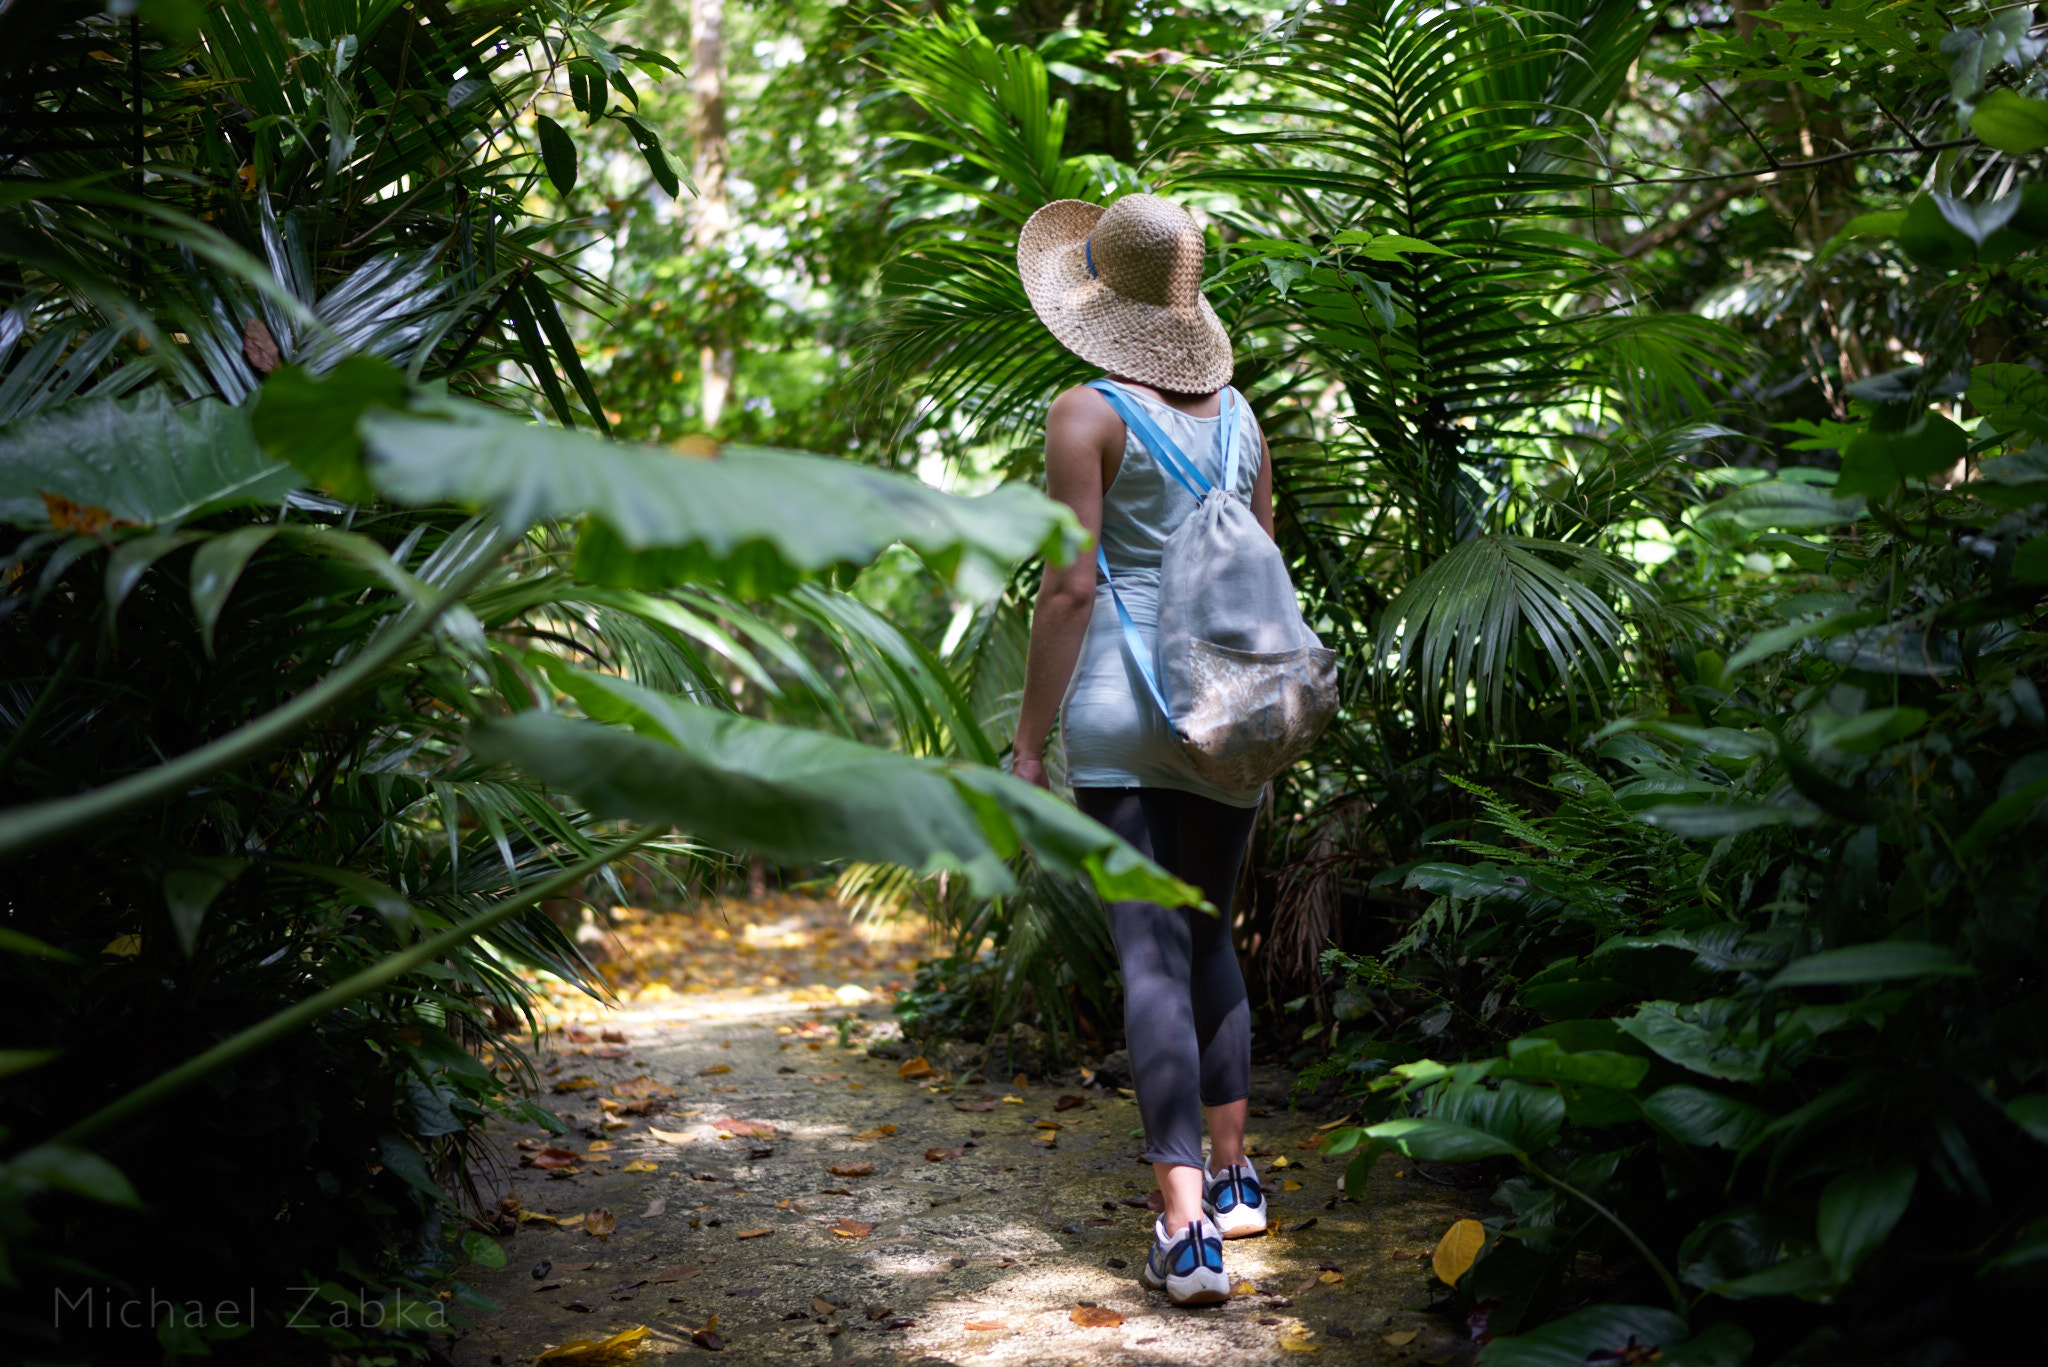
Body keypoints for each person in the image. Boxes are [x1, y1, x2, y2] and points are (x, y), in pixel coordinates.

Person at [1009, 193, 1274, 1307]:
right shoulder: (1245, 415)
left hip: (1124, 709)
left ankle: (1183, 1229)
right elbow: (1259, 562)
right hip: (1232, 706)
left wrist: (1027, 744)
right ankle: (1234, 1174)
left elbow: (1070, 586)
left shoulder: (1086, 412)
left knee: (1147, 956)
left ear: (1096, 296)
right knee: (1210, 936)